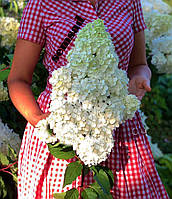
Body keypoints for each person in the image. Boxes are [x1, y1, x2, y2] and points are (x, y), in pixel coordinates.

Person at [7, 0, 169, 198]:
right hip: (62, 128)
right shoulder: (42, 4)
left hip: (117, 125)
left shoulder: (129, 2)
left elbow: (139, 64)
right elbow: (18, 79)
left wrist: (140, 77)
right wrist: (40, 121)